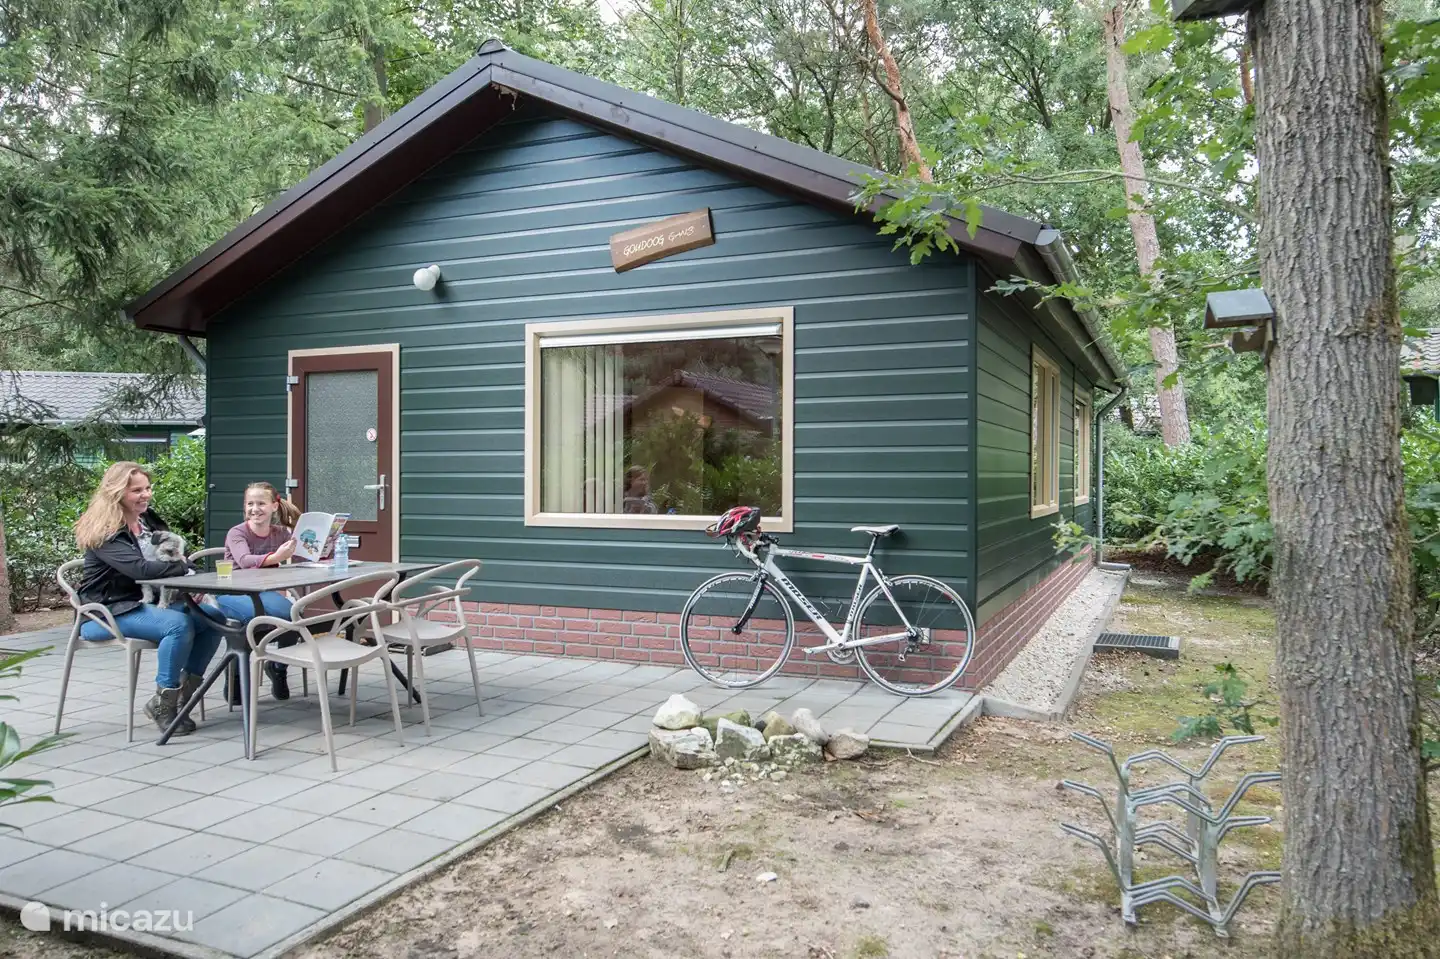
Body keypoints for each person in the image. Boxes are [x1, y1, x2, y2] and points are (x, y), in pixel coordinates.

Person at [73, 461, 224, 735]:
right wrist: (184, 568)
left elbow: (174, 554)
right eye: (136, 490)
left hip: (147, 603)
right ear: (117, 493)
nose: (145, 495)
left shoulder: (147, 519)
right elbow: (140, 570)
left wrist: (193, 579)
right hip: (108, 610)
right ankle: (164, 703)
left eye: (147, 488)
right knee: (177, 625)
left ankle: (181, 697)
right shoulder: (106, 531)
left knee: (214, 616)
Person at [220, 482, 299, 700]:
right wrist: (276, 558)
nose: (255, 509)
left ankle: (278, 668)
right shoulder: (237, 533)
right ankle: (235, 676)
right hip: (235, 592)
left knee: (294, 616)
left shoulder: (281, 533)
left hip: (266, 591)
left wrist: (326, 543)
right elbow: (245, 561)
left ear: (275, 506)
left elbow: (304, 556)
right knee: (254, 620)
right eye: (250, 503)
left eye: (261, 503)